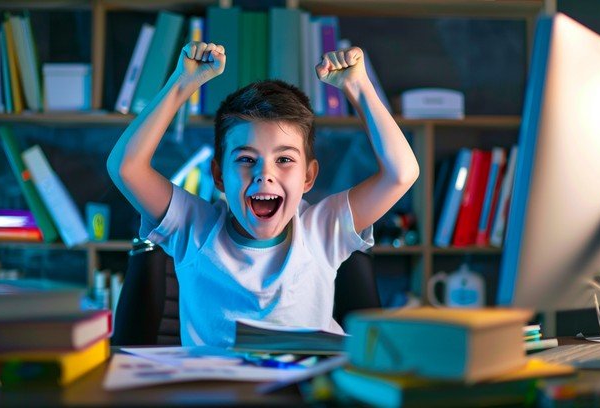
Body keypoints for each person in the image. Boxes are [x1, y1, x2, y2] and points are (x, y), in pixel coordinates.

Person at [107, 41, 419, 347]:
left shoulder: (324, 228)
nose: (264, 174)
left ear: (308, 176)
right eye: (245, 159)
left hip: (304, 390)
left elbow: (401, 174)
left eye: (284, 160)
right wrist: (183, 83)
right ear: (218, 175)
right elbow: (126, 168)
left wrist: (358, 86)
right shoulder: (193, 226)